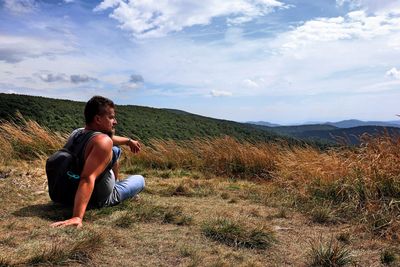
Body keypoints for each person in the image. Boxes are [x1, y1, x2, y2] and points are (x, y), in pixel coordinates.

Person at [51, 96, 145, 228]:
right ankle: (114, 188)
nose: (115, 121)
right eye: (111, 117)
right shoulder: (103, 142)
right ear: (98, 119)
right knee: (140, 179)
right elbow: (87, 178)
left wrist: (129, 141)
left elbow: (110, 139)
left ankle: (115, 182)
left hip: (65, 193)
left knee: (116, 149)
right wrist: (77, 217)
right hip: (96, 199)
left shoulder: (77, 133)